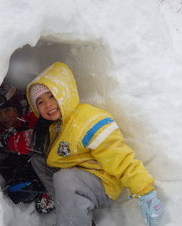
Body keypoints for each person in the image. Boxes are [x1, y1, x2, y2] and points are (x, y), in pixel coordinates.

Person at [26, 62, 164, 226]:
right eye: (40, 102)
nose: (47, 104)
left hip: (103, 183)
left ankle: (73, 220)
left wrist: (145, 191)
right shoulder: (56, 125)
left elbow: (120, 158)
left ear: (65, 93)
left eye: (51, 95)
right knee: (38, 161)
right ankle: (71, 212)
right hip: (80, 175)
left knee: (64, 178)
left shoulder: (88, 122)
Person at [0, 84, 54, 214]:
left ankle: (50, 193)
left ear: (18, 107)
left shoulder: (32, 115)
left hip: (48, 163)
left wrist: (9, 142)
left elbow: (33, 141)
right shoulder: (10, 125)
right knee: (7, 166)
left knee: (32, 160)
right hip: (32, 166)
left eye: (7, 110)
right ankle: (30, 188)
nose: (4, 117)